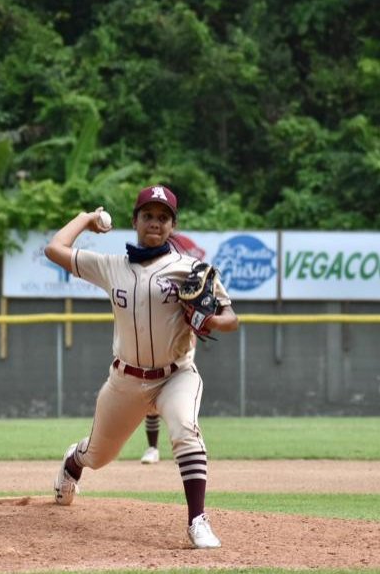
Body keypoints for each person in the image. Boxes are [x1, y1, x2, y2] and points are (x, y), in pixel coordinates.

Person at [43, 184, 239, 549]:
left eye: (163, 217)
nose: (155, 222)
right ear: (134, 220)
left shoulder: (191, 269)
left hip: (176, 375)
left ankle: (197, 520)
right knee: (98, 456)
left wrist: (211, 320)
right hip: (126, 381)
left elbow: (231, 318)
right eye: (148, 215)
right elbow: (54, 249)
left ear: (172, 226)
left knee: (185, 430)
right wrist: (86, 219)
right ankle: (73, 462)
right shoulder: (111, 267)